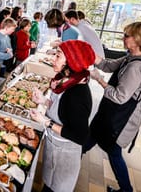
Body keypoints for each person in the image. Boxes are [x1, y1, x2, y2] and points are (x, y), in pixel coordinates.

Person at [83, 22, 141, 192]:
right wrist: (86, 52)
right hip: (111, 115)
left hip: (120, 120)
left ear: (137, 40)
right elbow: (107, 64)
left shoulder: (136, 67)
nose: (123, 37)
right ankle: (74, 155)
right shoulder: (132, 57)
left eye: (127, 35)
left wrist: (99, 79)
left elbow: (119, 97)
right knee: (92, 137)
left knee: (113, 153)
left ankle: (126, 189)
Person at [30, 40, 95, 192]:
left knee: (56, 188)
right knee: (49, 184)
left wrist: (46, 122)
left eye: (58, 56)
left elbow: (80, 136)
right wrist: (45, 101)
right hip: (54, 146)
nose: (53, 59)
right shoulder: (66, 81)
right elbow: (63, 110)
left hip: (65, 153)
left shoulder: (78, 94)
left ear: (71, 62)